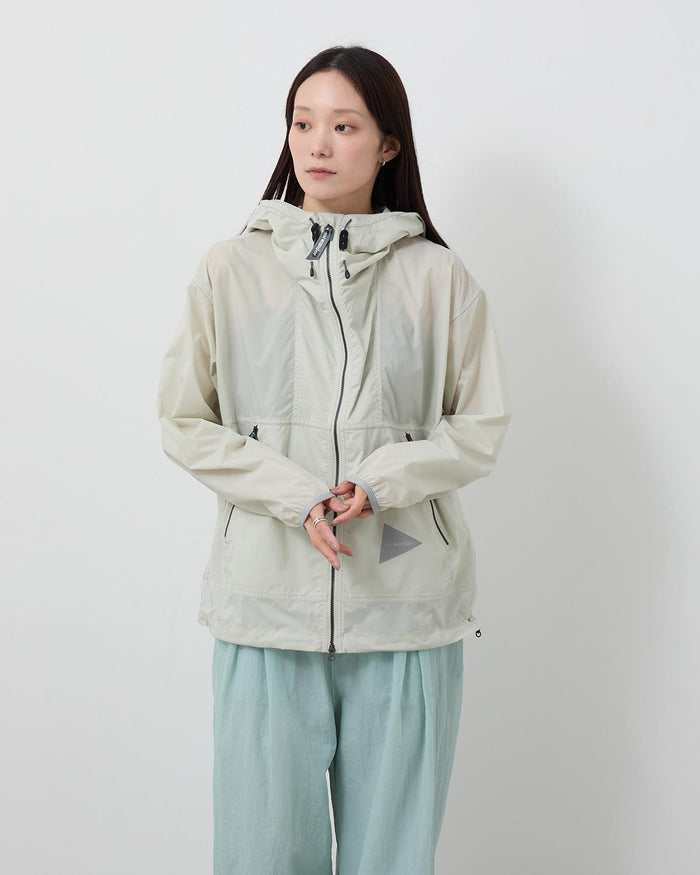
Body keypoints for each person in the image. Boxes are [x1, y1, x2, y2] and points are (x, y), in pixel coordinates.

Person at [156, 44, 510, 875]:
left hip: (405, 597)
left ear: (388, 145)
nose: (317, 144)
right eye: (303, 122)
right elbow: (184, 419)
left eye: (344, 126)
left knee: (394, 859)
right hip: (265, 599)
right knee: (261, 855)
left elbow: (480, 425)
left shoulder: (439, 278)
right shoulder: (230, 269)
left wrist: (378, 484)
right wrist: (296, 495)